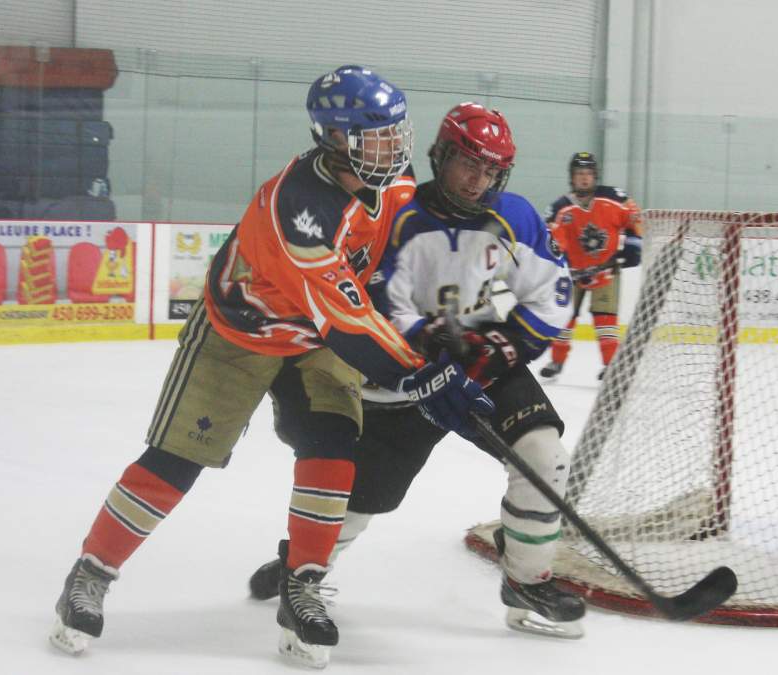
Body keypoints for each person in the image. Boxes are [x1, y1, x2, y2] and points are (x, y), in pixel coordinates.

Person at [49, 66, 494, 667]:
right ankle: (91, 572)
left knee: (335, 449)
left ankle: (303, 587)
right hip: (243, 331)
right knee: (176, 459)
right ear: (333, 138)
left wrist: (434, 325)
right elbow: (347, 320)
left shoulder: (393, 180)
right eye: (377, 136)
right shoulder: (300, 210)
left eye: (397, 132)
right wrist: (420, 373)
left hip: (315, 333)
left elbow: (393, 261)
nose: (395, 147)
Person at [247, 102, 587, 640]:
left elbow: (552, 291)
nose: (480, 181)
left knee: (544, 455)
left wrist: (511, 343)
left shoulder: (515, 216)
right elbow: (364, 300)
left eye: (493, 170)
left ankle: (526, 578)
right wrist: (421, 335)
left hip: (476, 367)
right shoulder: (392, 212)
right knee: (364, 497)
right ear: (440, 155)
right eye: (469, 164)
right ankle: (304, 565)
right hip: (404, 377)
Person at [539, 152, 643, 381]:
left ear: (595, 176)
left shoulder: (615, 198)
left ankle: (610, 366)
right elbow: (552, 241)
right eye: (579, 174)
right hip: (573, 274)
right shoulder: (560, 207)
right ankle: (556, 361)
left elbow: (635, 221)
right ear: (572, 178)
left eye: (588, 174)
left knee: (605, 319)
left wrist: (633, 245)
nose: (584, 179)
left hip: (606, 271)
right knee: (564, 317)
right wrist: (553, 262)